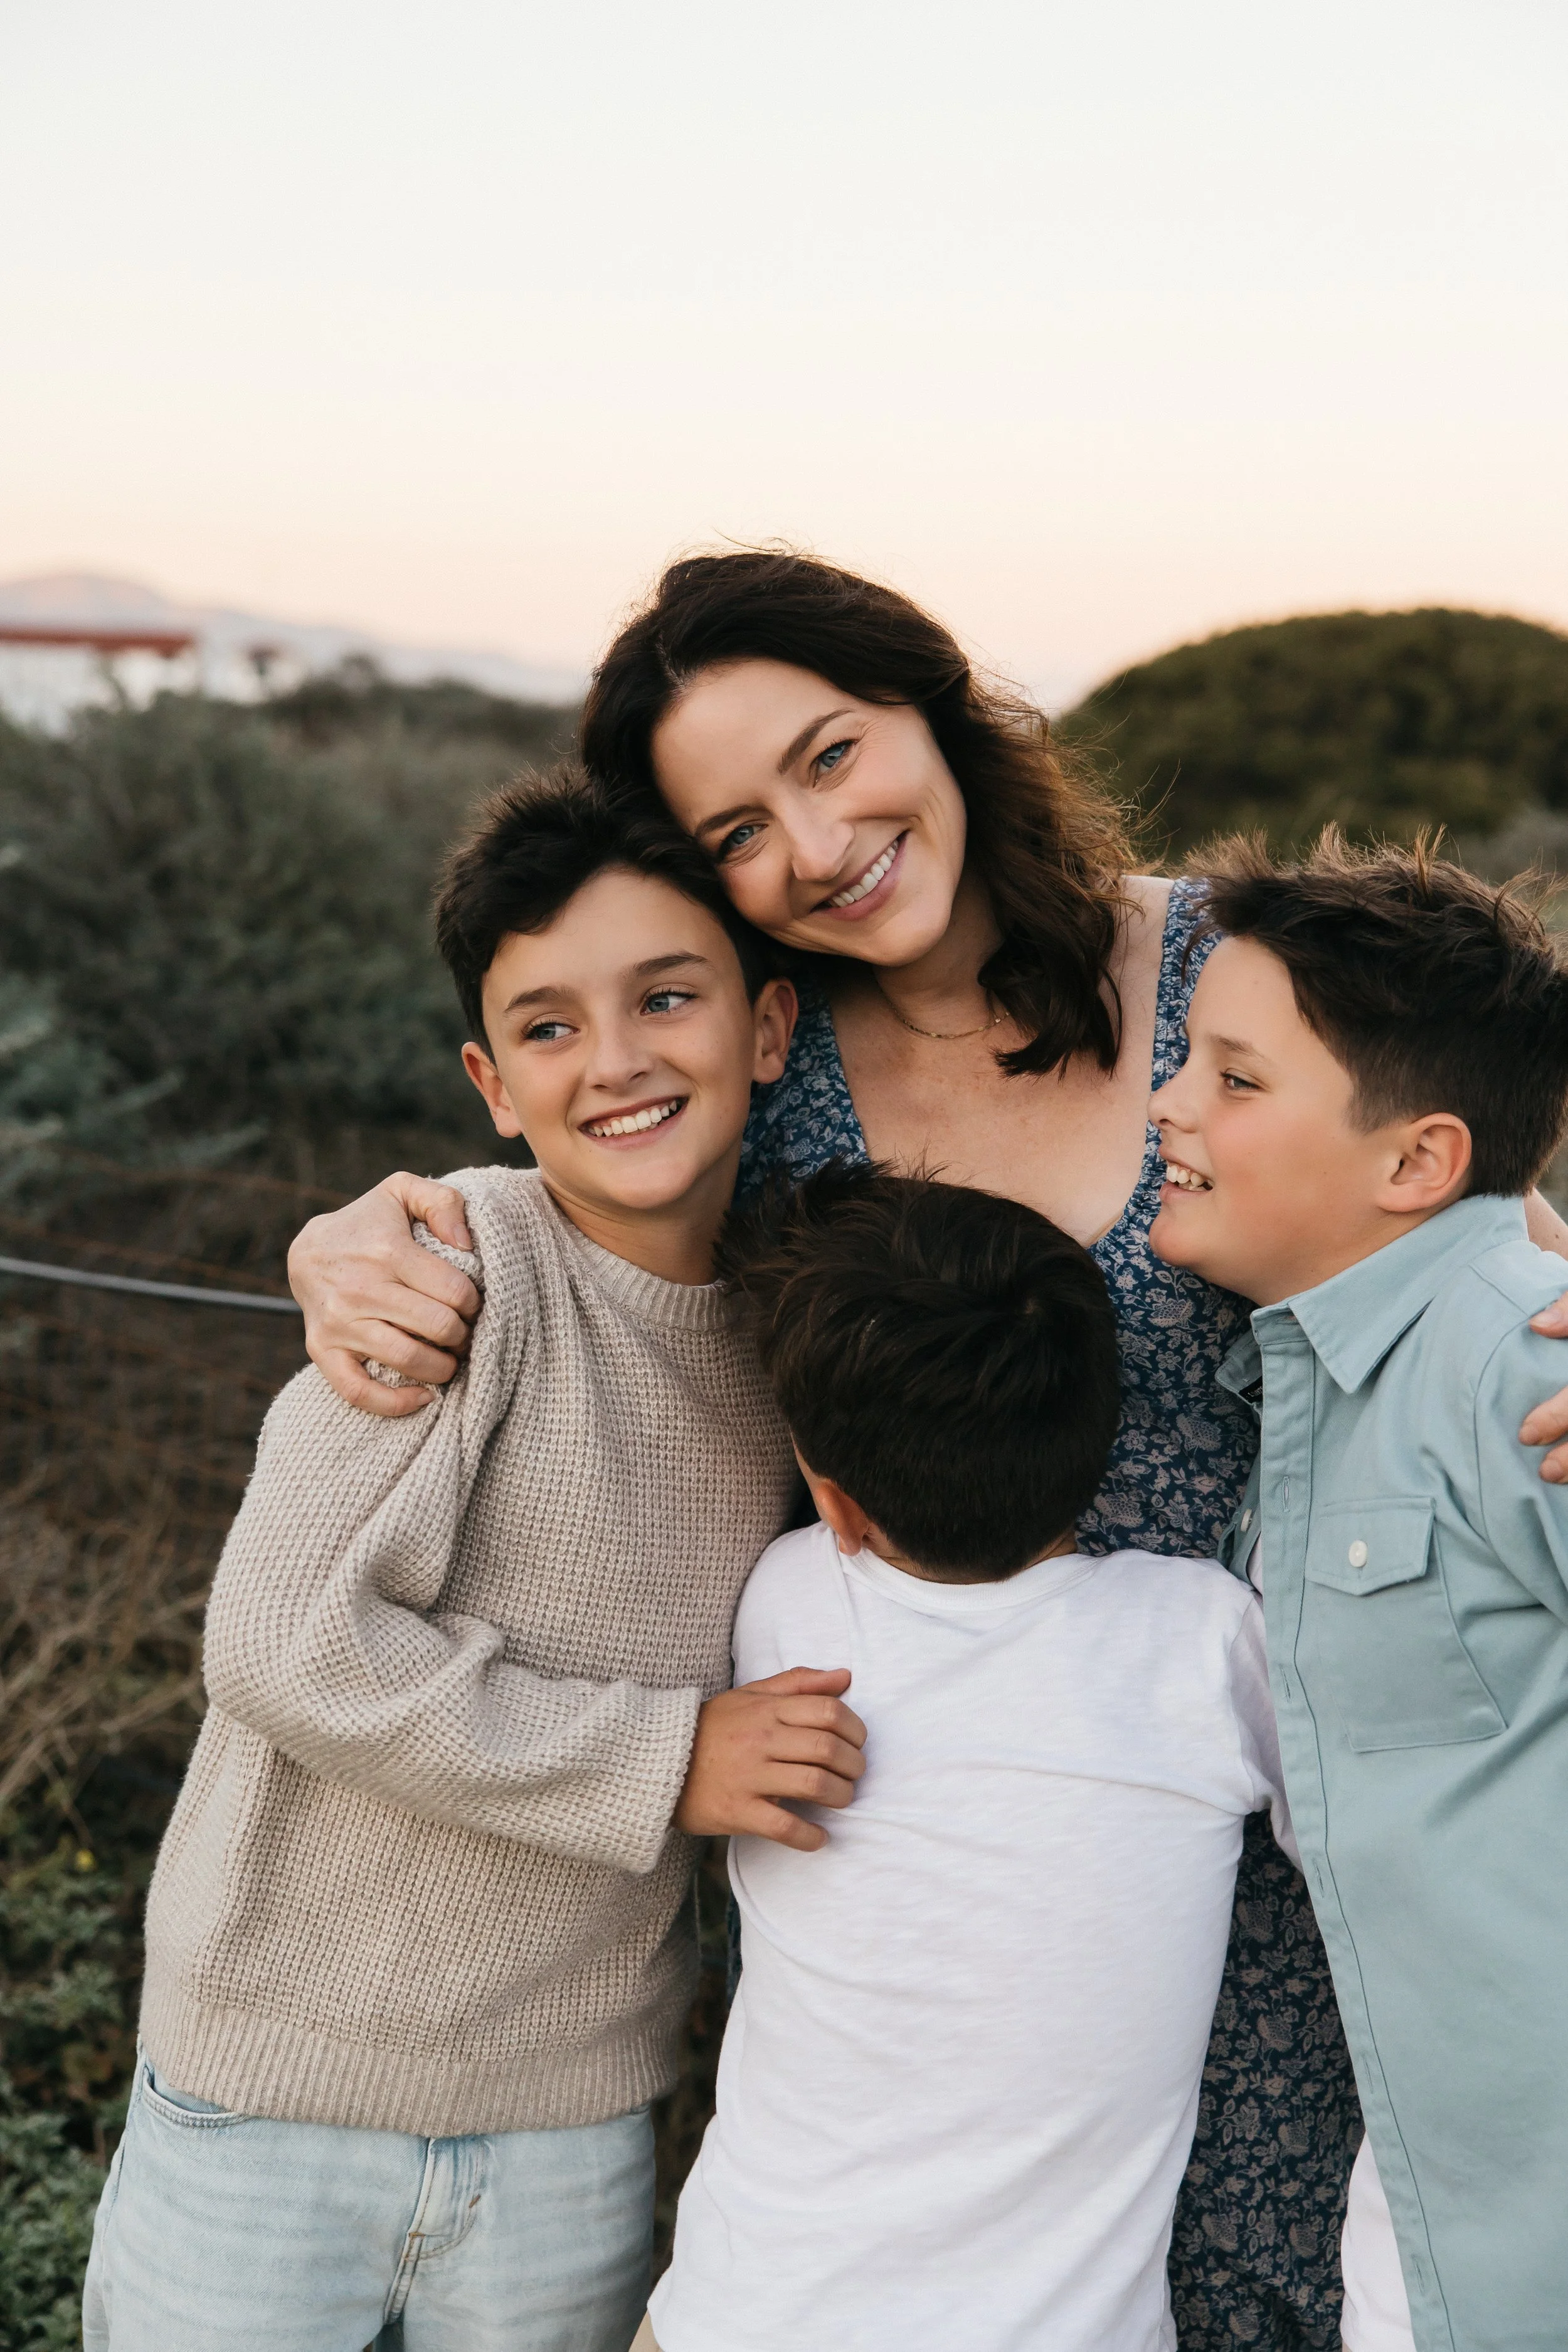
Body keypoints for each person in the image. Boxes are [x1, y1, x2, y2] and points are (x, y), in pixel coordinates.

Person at [285, 551, 1568, 2349]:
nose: (814, 846)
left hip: (1304, 1823)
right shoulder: (762, 1066)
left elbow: (1464, 1214)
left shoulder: (1226, 972)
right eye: (736, 831)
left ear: (937, 710)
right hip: (936, 1879)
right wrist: (357, 1234)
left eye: (829, 755)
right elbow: (576, 1185)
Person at [83, 767, 871, 2352]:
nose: (617, 1060)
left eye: (667, 998)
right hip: (269, 2104)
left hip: (571, 2126)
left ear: (768, 1027)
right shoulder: (446, 1270)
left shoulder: (802, 1338)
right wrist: (666, 1759)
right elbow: (285, 1644)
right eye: (550, 1027)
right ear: (492, 1084)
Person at [644, 1162, 1314, 2352]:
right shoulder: (1207, 1642)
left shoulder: (791, 1600)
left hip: (745, 2317)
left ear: (836, 1507)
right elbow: (1372, 1834)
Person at [1150, 831, 1568, 2352]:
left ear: (1413, 1164)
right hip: (1433, 2183)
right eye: (1184, 1059)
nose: (1168, 1102)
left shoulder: (1519, 1355)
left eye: (1233, 1079)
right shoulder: (1312, 1373)